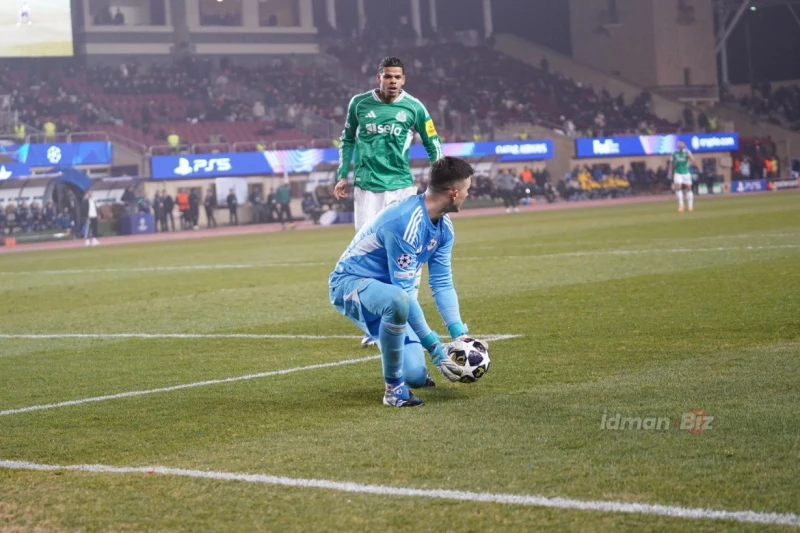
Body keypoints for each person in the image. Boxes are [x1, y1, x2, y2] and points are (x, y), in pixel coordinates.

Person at [328, 157, 473, 407]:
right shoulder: (405, 222)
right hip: (349, 285)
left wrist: (460, 335)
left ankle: (403, 372)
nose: (468, 195)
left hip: (387, 294)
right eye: (467, 189)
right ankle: (393, 391)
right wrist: (435, 348)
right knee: (398, 301)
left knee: (415, 375)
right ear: (454, 192)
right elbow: (402, 293)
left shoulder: (444, 226)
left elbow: (442, 282)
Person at [333, 56, 443, 348]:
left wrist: (440, 180)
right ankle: (374, 325)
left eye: (397, 77)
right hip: (367, 189)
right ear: (378, 78)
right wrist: (342, 175)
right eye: (388, 76)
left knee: (408, 253)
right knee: (367, 256)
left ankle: (403, 319)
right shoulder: (359, 104)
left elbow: (433, 142)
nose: (392, 81)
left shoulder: (414, 107)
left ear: (403, 80)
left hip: (401, 190)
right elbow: (347, 139)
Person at [668, 140, 697, 212]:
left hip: (686, 172)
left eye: (682, 144)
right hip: (677, 172)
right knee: (678, 187)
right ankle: (681, 205)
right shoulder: (674, 153)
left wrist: (690, 159)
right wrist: (670, 172)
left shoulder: (687, 152)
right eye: (679, 144)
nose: (681, 145)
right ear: (678, 145)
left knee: (689, 188)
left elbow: (693, 161)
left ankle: (690, 206)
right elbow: (671, 163)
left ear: (684, 145)